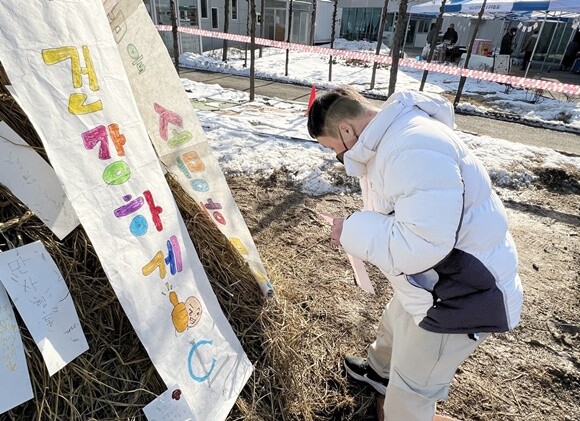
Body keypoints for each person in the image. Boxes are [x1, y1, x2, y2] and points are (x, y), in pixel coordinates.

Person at [307, 87, 523, 421]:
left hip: (460, 294)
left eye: (332, 148)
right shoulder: (394, 140)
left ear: (346, 130)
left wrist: (352, 231)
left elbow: (423, 244)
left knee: (412, 394)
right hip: (435, 281)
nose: (337, 157)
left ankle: (401, 405)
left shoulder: (412, 148)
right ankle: (380, 373)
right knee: (396, 319)